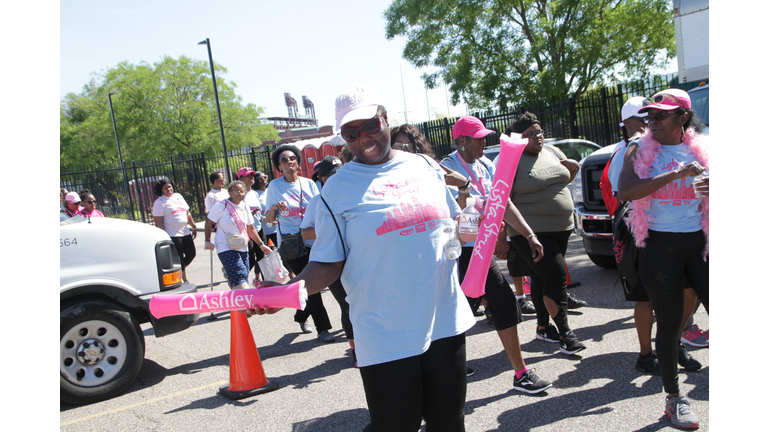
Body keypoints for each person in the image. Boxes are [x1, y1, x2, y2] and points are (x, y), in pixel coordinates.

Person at [254, 84, 475, 431]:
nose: (363, 138)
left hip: (444, 321)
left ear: (385, 119)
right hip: (385, 332)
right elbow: (328, 263)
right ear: (343, 138)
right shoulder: (337, 191)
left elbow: (452, 228)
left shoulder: (423, 167)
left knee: (449, 423)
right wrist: (284, 292)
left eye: (370, 126)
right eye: (351, 133)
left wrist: (480, 229)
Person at [617, 88, 709, 430]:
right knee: (669, 324)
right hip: (658, 245)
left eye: (660, 116)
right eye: (649, 116)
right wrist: (674, 175)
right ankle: (674, 399)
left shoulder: (701, 148)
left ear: (682, 117)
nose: (651, 121)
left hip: (698, 242)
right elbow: (625, 191)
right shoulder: (639, 149)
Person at [443, 115, 552, 393]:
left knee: (504, 304)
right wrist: (467, 194)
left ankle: (521, 373)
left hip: (480, 252)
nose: (484, 142)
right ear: (461, 141)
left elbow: (503, 202)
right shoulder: (447, 169)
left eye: (484, 137)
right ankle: (443, 369)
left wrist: (528, 234)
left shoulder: (487, 165)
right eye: (477, 138)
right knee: (454, 314)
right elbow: (458, 221)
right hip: (455, 254)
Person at [504, 112, 587, 356]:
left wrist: (571, 169)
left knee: (541, 278)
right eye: (530, 134)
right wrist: (521, 235)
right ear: (519, 139)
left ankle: (542, 327)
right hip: (531, 232)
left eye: (539, 132)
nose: (537, 137)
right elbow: (503, 200)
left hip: (561, 228)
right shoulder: (511, 160)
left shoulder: (551, 152)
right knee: (555, 276)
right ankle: (565, 334)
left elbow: (562, 180)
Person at [264, 144, 335, 343]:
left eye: (292, 158)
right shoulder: (275, 186)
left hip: (313, 239)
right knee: (307, 282)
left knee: (308, 284)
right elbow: (268, 220)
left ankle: (301, 316)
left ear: (298, 162)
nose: (289, 162)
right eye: (284, 160)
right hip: (291, 243)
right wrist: (274, 208)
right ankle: (323, 328)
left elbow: (319, 209)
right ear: (279, 166)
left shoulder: (309, 184)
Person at [300, 156, 356, 363]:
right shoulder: (318, 201)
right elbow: (305, 233)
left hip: (357, 259)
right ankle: (356, 349)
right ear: (322, 178)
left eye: (340, 172)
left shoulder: (355, 193)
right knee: (348, 305)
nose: (337, 177)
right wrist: (331, 228)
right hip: (331, 261)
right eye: (332, 175)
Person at [203, 180, 271, 290]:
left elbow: (251, 228)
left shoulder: (245, 206)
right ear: (230, 192)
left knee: (243, 275)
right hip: (225, 246)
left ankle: (235, 303)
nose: (240, 194)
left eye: (242, 191)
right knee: (240, 279)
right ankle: (247, 302)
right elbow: (209, 222)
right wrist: (207, 240)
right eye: (236, 191)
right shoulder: (221, 206)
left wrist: (261, 244)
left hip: (242, 245)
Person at [152, 178, 197, 283]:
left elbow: (187, 213)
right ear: (161, 190)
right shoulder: (160, 202)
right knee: (179, 257)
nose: (169, 189)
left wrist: (193, 225)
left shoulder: (179, 197)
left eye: (169, 186)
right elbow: (158, 220)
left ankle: (179, 271)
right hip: (173, 233)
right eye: (165, 188)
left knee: (191, 254)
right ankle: (183, 279)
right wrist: (165, 235)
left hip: (185, 231)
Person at [238, 167, 266, 285]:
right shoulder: (240, 195)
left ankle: (266, 284)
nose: (251, 178)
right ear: (240, 178)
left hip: (258, 229)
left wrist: (265, 218)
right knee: (250, 260)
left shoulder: (254, 193)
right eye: (248, 176)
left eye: (252, 175)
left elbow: (259, 212)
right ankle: (239, 281)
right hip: (247, 232)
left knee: (263, 258)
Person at [254, 171, 277, 248]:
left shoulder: (271, 191)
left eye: (265, 177)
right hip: (264, 231)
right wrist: (266, 219)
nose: (263, 180)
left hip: (277, 230)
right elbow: (256, 213)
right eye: (260, 178)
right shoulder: (255, 194)